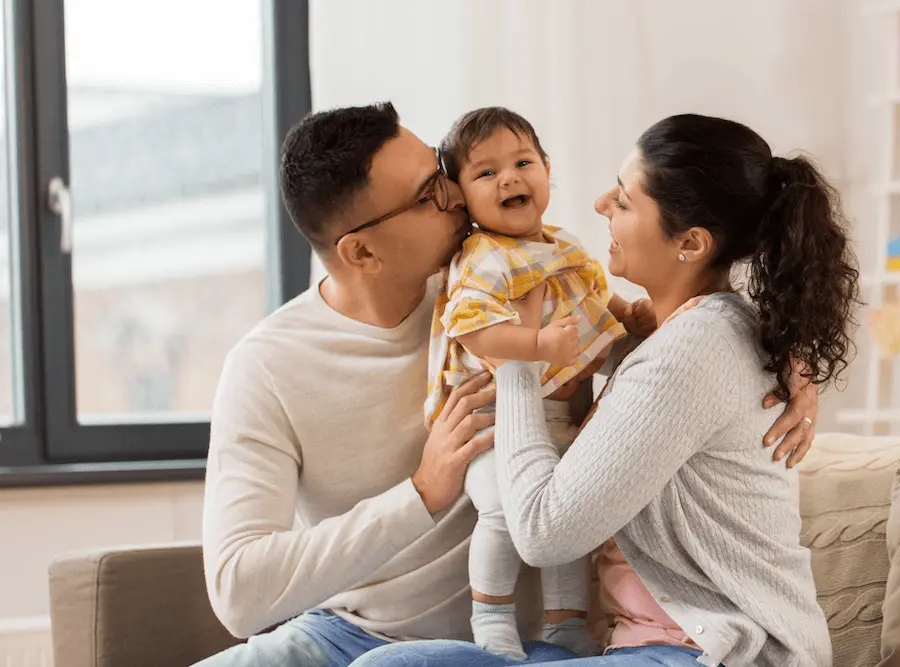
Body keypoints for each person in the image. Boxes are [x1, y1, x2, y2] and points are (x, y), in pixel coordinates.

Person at [194, 103, 821, 667]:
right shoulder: (269, 364)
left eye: (444, 172)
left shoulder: (521, 287)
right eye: (429, 194)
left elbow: (679, 343)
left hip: (518, 644)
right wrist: (422, 493)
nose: (459, 195)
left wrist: (791, 354)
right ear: (360, 253)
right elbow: (240, 595)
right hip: (341, 632)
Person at [350, 113, 859, 667]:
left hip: (719, 652)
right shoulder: (692, 331)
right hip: (648, 649)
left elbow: (543, 534)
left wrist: (518, 359)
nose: (598, 205)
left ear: (689, 242)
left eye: (622, 199)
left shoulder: (690, 350)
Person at [427, 107, 655, 660]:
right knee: (505, 510)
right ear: (460, 198)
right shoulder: (482, 257)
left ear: (547, 170)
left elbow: (595, 303)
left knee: (567, 518)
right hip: (489, 425)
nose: (509, 178)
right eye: (485, 173)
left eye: (523, 161)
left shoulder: (566, 245)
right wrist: (535, 347)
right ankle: (491, 615)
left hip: (559, 422)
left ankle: (566, 622)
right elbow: (478, 334)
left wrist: (631, 314)